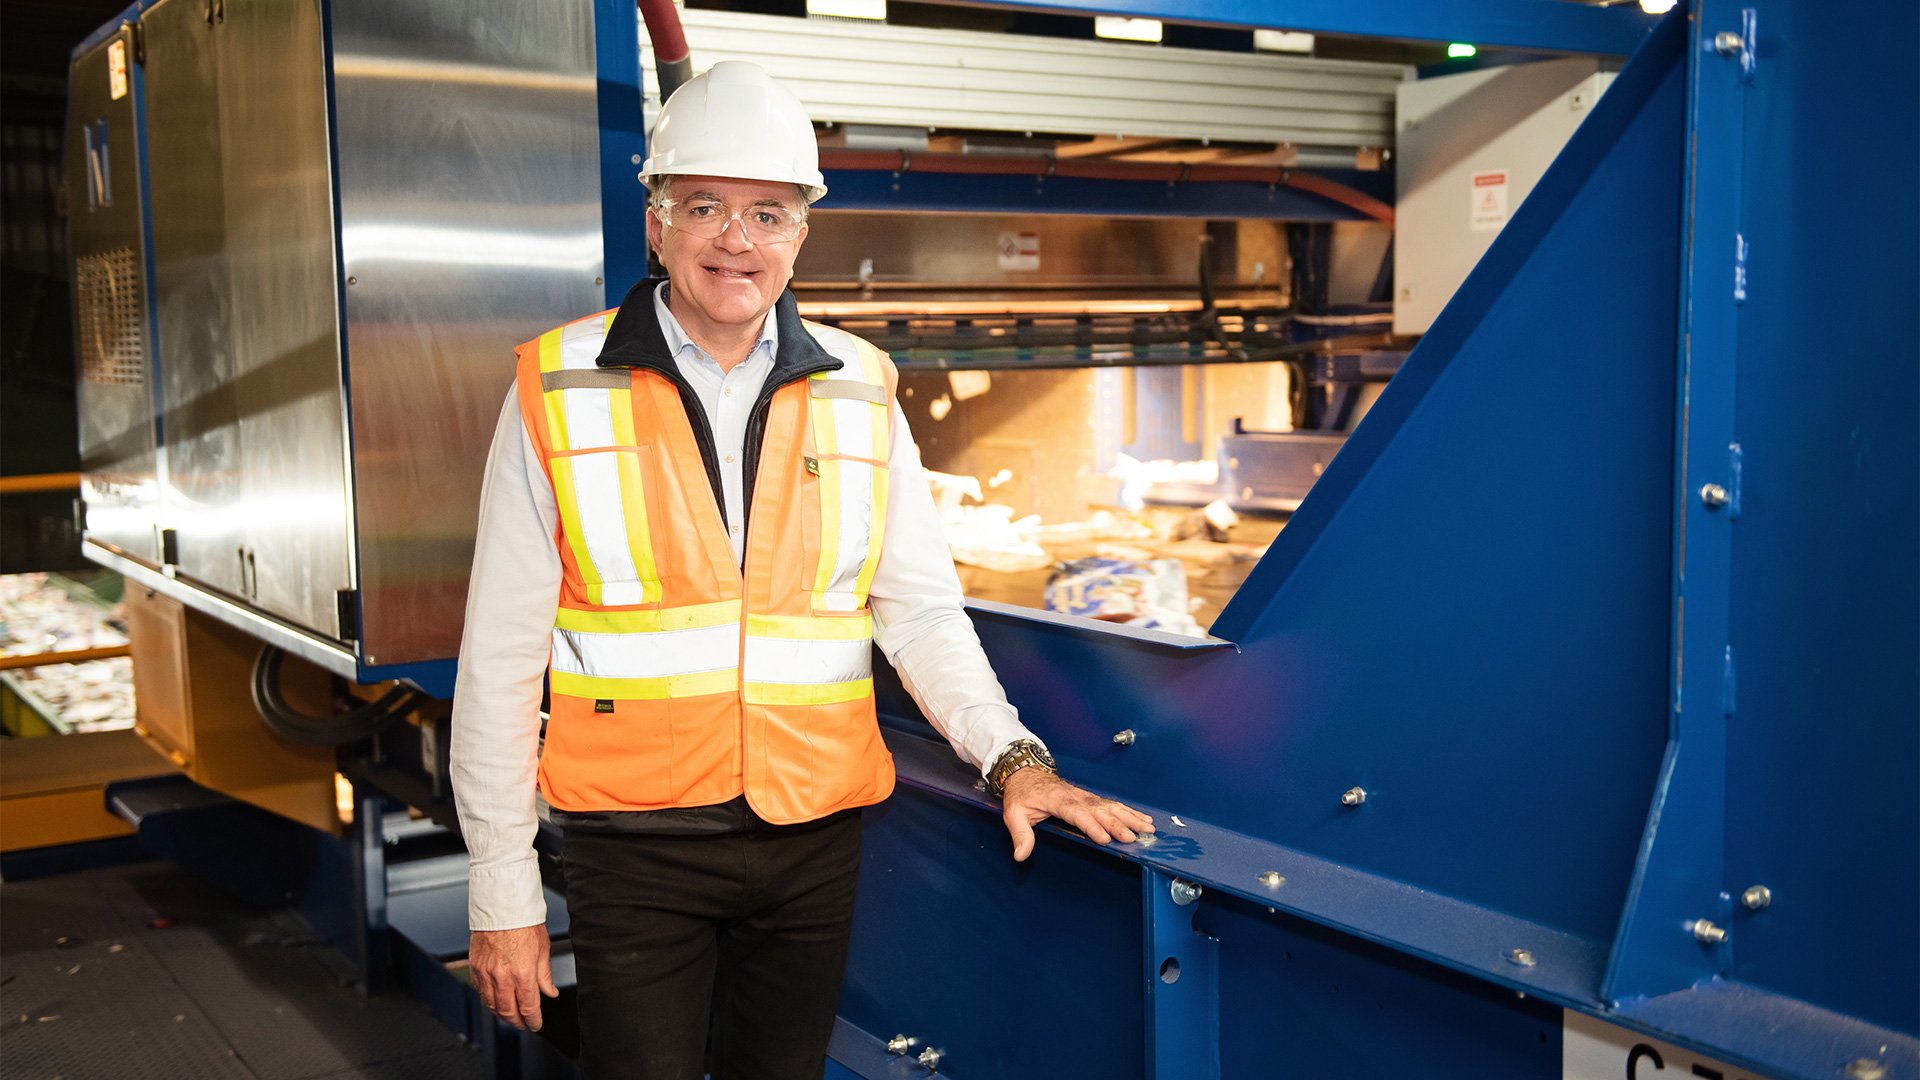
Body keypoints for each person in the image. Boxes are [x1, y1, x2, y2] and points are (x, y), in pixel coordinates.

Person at [449, 60, 1154, 1080]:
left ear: (801, 235)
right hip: (636, 845)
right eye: (706, 207)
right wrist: (501, 884)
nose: (737, 241)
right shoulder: (558, 386)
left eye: (768, 214)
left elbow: (917, 612)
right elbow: (503, 652)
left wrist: (1014, 759)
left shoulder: (862, 388)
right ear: (657, 221)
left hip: (812, 841)